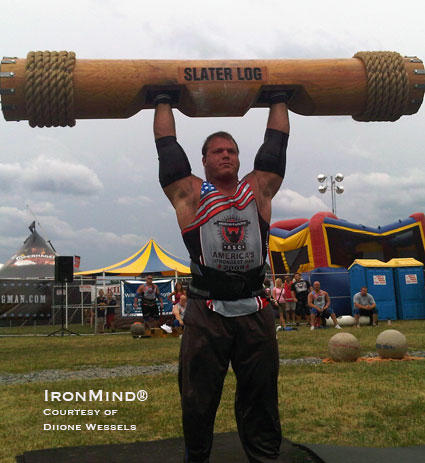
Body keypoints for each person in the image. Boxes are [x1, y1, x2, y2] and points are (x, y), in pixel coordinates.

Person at [153, 89, 290, 462]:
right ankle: (197, 458)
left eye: (231, 151)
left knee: (261, 394)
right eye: (218, 151)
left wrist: (279, 98)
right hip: (205, 310)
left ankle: (264, 457)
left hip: (255, 309)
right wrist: (162, 99)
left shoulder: (257, 188)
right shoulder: (191, 194)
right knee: (198, 397)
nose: (226, 155)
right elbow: (168, 150)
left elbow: (275, 146)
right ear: (204, 160)